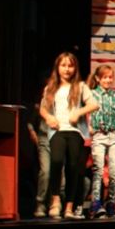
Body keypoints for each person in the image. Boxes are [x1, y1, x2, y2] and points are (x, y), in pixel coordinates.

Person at [39, 52, 100, 219]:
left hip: (75, 131)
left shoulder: (80, 86)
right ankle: (56, 201)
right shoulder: (51, 87)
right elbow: (43, 108)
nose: (67, 69)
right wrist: (49, 117)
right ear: (58, 67)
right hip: (57, 131)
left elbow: (94, 104)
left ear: (75, 68)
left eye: (70, 65)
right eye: (63, 65)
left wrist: (79, 111)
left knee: (74, 168)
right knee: (57, 161)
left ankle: (69, 207)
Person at [87, 64, 115, 218]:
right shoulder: (92, 94)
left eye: (110, 77)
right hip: (99, 135)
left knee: (114, 170)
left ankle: (111, 202)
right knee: (98, 169)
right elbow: (85, 111)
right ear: (98, 78)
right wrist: (90, 125)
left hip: (113, 136)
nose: (108, 80)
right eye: (105, 77)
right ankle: (96, 203)